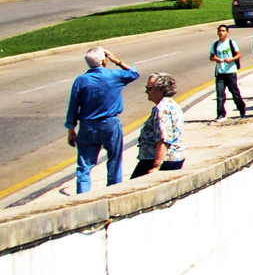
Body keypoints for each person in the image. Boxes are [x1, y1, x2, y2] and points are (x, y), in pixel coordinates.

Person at [64, 46, 140, 193]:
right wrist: (116, 60)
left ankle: (82, 196)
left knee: (84, 166)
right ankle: (113, 192)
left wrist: (71, 129)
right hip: (110, 124)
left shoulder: (81, 81)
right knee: (114, 161)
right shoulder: (113, 75)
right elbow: (133, 73)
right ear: (104, 61)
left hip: (87, 126)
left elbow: (73, 106)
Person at [130, 74, 185, 178]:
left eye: (149, 88)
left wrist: (156, 166)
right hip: (172, 158)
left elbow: (163, 139)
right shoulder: (172, 105)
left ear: (160, 90)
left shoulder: (162, 109)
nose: (146, 91)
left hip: (161, 160)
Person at [209, 24, 247, 119]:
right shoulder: (215, 44)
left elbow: (239, 55)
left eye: (223, 31)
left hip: (230, 72)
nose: (221, 33)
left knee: (234, 92)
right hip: (220, 73)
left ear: (227, 32)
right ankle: (221, 113)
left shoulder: (231, 43)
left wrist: (231, 59)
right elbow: (211, 57)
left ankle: (241, 107)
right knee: (220, 93)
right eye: (220, 31)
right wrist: (215, 58)